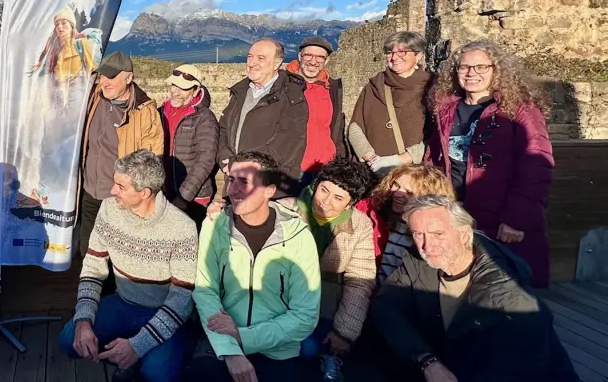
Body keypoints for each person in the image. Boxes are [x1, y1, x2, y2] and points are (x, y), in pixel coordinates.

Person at [370, 195, 578, 382]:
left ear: (463, 234)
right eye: (418, 234)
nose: (427, 245)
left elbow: (516, 370)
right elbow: (385, 307)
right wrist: (427, 360)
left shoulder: (507, 292)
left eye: (438, 234)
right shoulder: (419, 261)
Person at [425, 39, 554, 288]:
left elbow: (536, 167)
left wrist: (517, 218)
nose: (471, 74)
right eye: (464, 67)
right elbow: (432, 161)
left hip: (500, 220)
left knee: (506, 294)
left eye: (481, 67)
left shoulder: (519, 111)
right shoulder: (446, 110)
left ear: (497, 70)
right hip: (456, 215)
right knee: (460, 290)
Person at [59, 150, 197, 382]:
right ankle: (128, 354)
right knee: (69, 340)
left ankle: (142, 355)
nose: (112, 191)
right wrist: (83, 319)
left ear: (145, 193)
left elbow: (181, 300)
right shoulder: (108, 209)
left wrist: (138, 345)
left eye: (120, 187)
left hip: (163, 310)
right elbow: (93, 267)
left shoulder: (182, 227)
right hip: (123, 302)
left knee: (158, 375)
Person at [190, 151, 321, 382]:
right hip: (223, 339)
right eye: (231, 180)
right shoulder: (215, 226)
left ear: (269, 191)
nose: (232, 190)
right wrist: (231, 349)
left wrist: (245, 337)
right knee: (202, 373)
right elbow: (205, 290)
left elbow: (305, 315)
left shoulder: (298, 237)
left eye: (244, 182)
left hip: (277, 346)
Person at [278, 157, 377, 359]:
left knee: (313, 349)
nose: (326, 201)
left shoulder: (360, 225)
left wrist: (344, 332)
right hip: (281, 301)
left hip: (325, 305)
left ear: (351, 203)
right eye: (324, 190)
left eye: (338, 198)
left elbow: (359, 281)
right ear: (315, 185)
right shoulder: (284, 210)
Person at [76, 51, 164, 257]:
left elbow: (151, 163)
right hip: (89, 193)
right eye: (103, 76)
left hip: (121, 200)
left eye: (112, 77)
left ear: (129, 78)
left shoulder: (145, 113)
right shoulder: (94, 98)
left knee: (117, 257)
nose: (104, 82)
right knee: (87, 253)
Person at [217, 39, 307, 197]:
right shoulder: (240, 92)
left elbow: (286, 143)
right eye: (250, 57)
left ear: (276, 63)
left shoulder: (292, 97)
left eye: (261, 58)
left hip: (269, 189)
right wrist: (224, 158)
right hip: (235, 183)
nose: (252, 63)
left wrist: (240, 164)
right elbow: (223, 129)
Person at [354, 164, 456, 286]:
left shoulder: (432, 238)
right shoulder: (375, 215)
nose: (397, 193)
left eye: (409, 192)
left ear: (429, 198)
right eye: (396, 185)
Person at [348, 31, 432, 174]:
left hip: (413, 174)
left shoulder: (433, 88)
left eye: (402, 52)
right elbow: (355, 127)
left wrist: (399, 160)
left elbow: (439, 134)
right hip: (372, 172)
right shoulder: (375, 86)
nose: (394, 57)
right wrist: (374, 160)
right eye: (389, 52)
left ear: (418, 56)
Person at [158, 64, 219, 221]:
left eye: (183, 88)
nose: (176, 92)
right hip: (164, 191)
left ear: (196, 91)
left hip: (194, 197)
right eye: (174, 85)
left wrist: (184, 196)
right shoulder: (160, 112)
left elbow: (206, 160)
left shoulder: (204, 118)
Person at [285, 36, 346, 180]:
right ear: (299, 56)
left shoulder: (332, 88)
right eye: (308, 55)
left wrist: (339, 161)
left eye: (320, 57)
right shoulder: (283, 85)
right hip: (293, 170)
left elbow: (335, 130)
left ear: (327, 60)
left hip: (326, 169)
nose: (313, 61)